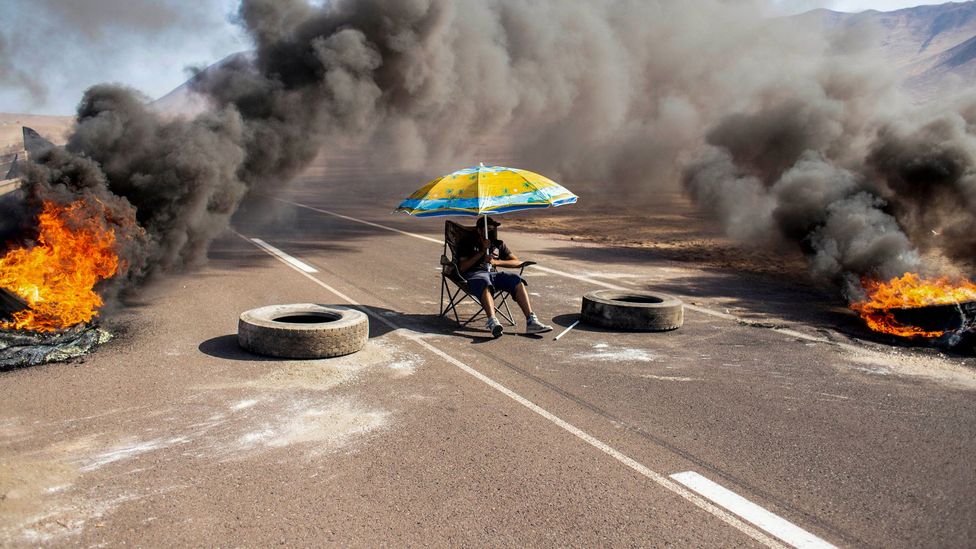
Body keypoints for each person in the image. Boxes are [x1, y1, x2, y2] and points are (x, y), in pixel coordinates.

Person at [457, 216, 553, 338]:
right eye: (488, 229)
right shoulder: (467, 242)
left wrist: (496, 262)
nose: (492, 231)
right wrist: (482, 252)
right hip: (474, 275)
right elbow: (462, 267)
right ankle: (492, 321)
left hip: (493, 274)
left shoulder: (498, 244)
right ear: (480, 230)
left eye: (493, 229)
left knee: (516, 280)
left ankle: (531, 321)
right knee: (484, 281)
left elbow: (516, 262)